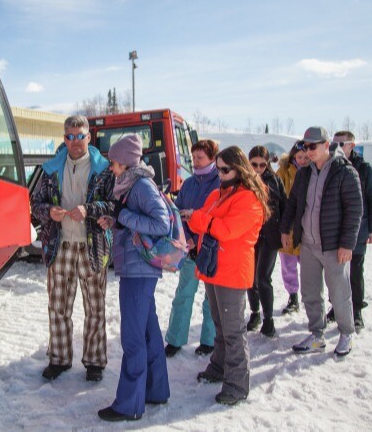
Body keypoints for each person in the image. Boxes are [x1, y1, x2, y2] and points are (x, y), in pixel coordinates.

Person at [30, 115, 115, 382]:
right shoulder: (50, 169)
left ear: (89, 137)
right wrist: (49, 212)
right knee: (58, 307)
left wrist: (88, 210)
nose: (75, 142)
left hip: (92, 248)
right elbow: (35, 204)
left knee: (95, 308)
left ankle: (94, 362)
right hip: (60, 246)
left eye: (80, 136)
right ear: (64, 138)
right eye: (70, 136)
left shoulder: (105, 170)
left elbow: (114, 205)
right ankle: (59, 358)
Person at [96, 134, 170, 421]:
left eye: (114, 163)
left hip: (139, 270)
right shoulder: (133, 185)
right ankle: (155, 390)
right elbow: (135, 217)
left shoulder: (140, 185)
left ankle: (129, 405)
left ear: (125, 163)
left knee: (133, 338)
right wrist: (116, 220)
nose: (111, 168)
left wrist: (123, 216)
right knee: (149, 333)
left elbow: (160, 223)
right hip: (138, 268)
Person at [188, 146, 268, 406]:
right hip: (214, 268)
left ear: (239, 168)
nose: (220, 174)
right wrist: (200, 220)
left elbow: (226, 229)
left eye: (225, 169)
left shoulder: (249, 198)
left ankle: (236, 385)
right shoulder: (217, 194)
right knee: (220, 325)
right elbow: (206, 222)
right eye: (219, 169)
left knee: (234, 330)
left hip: (232, 272)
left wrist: (199, 219)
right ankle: (219, 367)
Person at [280, 126, 362, 357]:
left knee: (339, 292)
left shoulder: (344, 172)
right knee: (310, 292)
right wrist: (286, 229)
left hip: (334, 246)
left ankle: (346, 333)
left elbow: (354, 209)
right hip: (307, 243)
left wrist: (347, 244)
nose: (308, 151)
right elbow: (293, 204)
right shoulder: (304, 173)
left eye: (312, 146)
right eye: (305, 146)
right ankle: (317, 335)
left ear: (327, 145)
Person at [164, 140, 219, 357]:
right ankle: (175, 339)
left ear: (212, 159)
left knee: (210, 299)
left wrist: (198, 237)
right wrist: (185, 237)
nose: (195, 162)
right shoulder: (188, 184)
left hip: (211, 249)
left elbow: (216, 216)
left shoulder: (219, 184)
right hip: (189, 250)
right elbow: (178, 214)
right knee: (183, 294)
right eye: (193, 158)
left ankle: (209, 340)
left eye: (200, 158)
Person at [326, 131, 372, 331]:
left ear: (352, 145)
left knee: (355, 272)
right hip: (334, 230)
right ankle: (336, 307)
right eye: (334, 143)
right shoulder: (330, 166)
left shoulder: (364, 169)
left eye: (342, 143)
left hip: (357, 230)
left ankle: (356, 310)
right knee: (335, 272)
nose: (338, 147)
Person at [245, 146, 286, 337]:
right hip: (249, 236)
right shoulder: (244, 180)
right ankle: (255, 313)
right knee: (249, 278)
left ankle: (268, 318)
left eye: (263, 164)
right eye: (254, 164)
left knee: (262, 278)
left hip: (270, 236)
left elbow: (285, 206)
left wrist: (284, 231)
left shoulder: (274, 180)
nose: (259, 168)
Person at [276, 140, 310, 314]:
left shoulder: (313, 171)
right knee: (288, 266)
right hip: (287, 227)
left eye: (305, 157)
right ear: (293, 156)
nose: (302, 160)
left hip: (306, 228)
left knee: (309, 266)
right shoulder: (284, 171)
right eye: (299, 157)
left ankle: (310, 297)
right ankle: (293, 296)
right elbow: (276, 195)